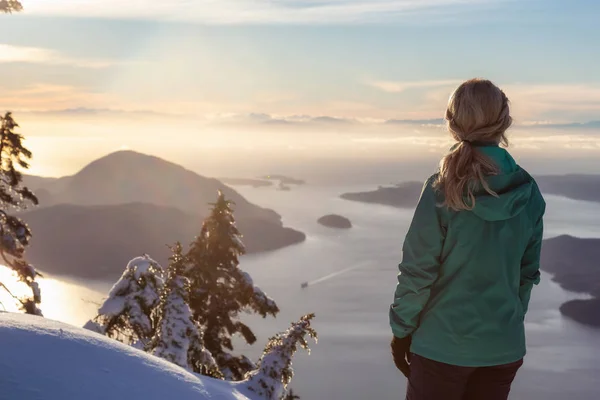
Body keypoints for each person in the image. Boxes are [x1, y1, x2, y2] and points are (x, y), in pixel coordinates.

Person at [388, 78, 545, 400]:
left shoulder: (441, 188)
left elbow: (418, 271)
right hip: (503, 346)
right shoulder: (527, 190)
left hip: (442, 348)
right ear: (504, 121)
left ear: (453, 121)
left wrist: (402, 332)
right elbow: (526, 275)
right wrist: (505, 325)